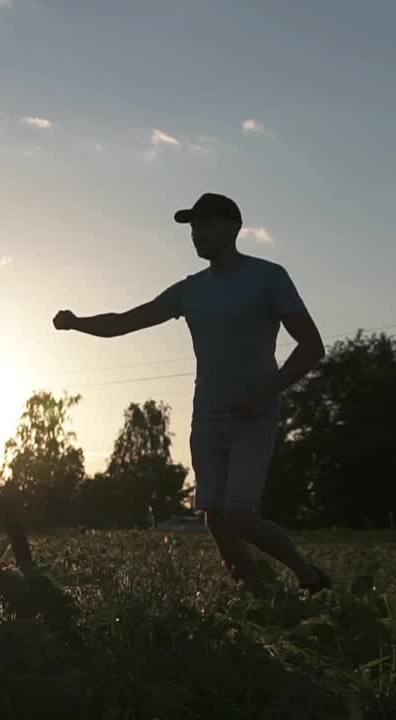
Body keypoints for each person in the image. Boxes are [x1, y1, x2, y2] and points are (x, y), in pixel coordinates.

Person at [52, 192, 332, 598]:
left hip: (254, 415)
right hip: (207, 417)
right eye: (191, 227)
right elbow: (125, 322)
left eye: (203, 224)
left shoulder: (269, 277)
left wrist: (265, 392)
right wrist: (78, 323)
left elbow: (311, 345)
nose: (195, 234)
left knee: (238, 513)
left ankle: (308, 576)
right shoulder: (190, 290)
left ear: (232, 227)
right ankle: (262, 601)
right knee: (215, 520)